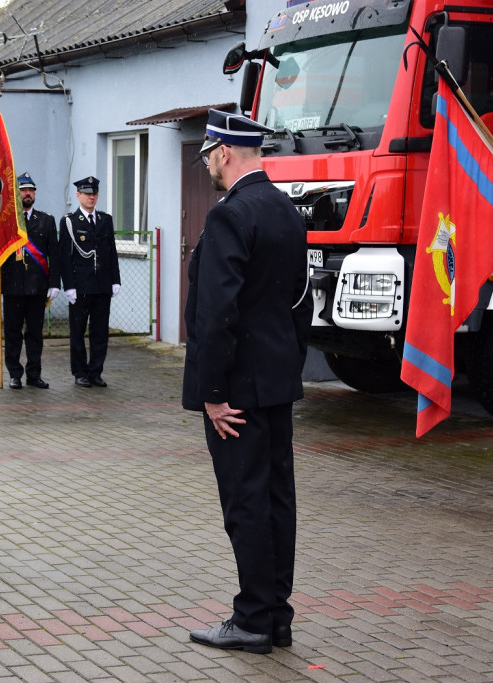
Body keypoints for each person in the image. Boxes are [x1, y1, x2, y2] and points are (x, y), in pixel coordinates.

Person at [183, 110, 312, 655]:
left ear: (224, 153)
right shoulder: (286, 210)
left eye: (209, 154)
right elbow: (301, 303)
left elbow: (216, 314)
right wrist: (286, 364)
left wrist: (212, 394)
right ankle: (276, 615)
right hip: (275, 382)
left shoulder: (230, 215)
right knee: (278, 498)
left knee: (247, 503)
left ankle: (254, 618)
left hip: (236, 390)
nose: (208, 164)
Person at [58, 176, 120, 388]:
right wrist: (69, 286)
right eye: (86, 193)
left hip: (102, 285)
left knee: (100, 332)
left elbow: (111, 251)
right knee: (77, 332)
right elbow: (65, 256)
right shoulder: (69, 221)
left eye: (93, 194)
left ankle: (96, 371)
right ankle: (80, 372)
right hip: (80, 287)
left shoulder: (105, 220)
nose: (90, 197)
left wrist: (115, 279)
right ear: (78, 196)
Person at [1, 172, 60, 389]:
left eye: (31, 190)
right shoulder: (8, 221)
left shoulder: (46, 221)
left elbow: (55, 254)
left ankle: (34, 374)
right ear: (16, 194)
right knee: (13, 333)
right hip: (13, 286)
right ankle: (14, 374)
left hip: (37, 287)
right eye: (24, 190)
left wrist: (54, 283)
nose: (28, 194)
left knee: (35, 334)